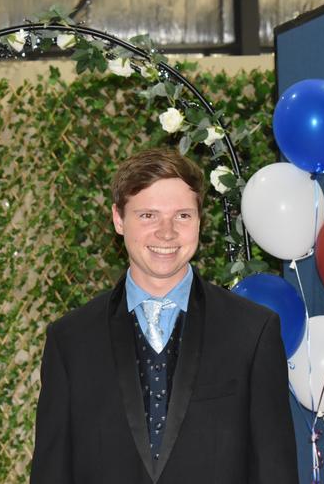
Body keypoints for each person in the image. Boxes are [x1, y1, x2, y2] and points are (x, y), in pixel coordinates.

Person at [30, 148, 299, 483]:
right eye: (148, 216)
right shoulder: (70, 342)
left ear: (200, 220)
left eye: (182, 216)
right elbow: (51, 473)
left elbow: (276, 471)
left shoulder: (253, 332)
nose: (167, 232)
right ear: (118, 219)